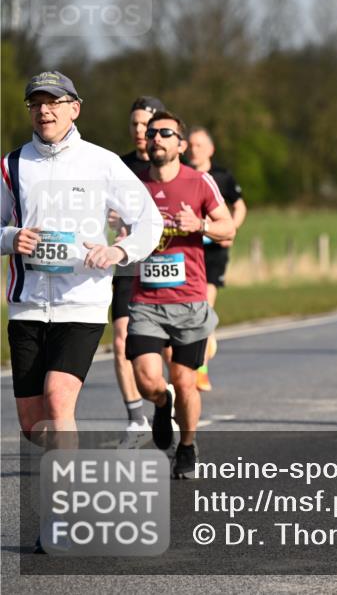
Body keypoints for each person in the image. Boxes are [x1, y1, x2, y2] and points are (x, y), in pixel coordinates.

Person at [1, 72, 162, 441]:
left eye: (54, 103)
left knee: (59, 400)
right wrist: (10, 237)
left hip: (82, 302)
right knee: (32, 425)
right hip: (26, 306)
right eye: (36, 104)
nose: (44, 111)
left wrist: (119, 250)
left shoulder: (101, 163)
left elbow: (149, 221)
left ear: (74, 109)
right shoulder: (12, 166)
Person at [127, 111, 235, 478]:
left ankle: (186, 446)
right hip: (146, 300)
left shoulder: (200, 182)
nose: (156, 138)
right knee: (147, 381)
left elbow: (228, 227)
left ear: (180, 144)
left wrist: (200, 224)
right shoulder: (133, 185)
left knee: (185, 380)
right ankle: (161, 404)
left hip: (188, 301)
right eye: (152, 132)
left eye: (166, 133)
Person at [111, 95, 166, 447]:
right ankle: (135, 420)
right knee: (120, 339)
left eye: (145, 124)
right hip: (128, 264)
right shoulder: (116, 166)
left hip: (165, 266)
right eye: (133, 124)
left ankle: (166, 402)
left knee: (170, 350)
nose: (139, 131)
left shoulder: (174, 165)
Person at [185, 126, 247, 390]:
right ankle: (201, 345)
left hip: (214, 251)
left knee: (205, 305)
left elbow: (240, 205)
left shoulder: (222, 176)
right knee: (191, 308)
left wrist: (232, 229)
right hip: (188, 250)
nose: (194, 149)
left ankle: (201, 368)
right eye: (190, 145)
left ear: (210, 149)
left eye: (199, 145)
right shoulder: (181, 175)